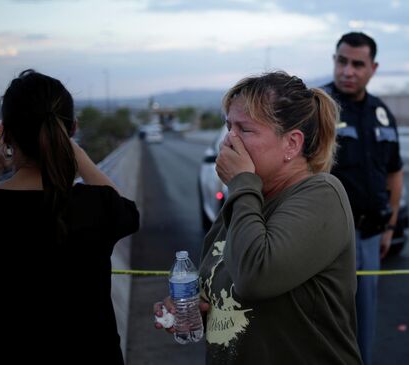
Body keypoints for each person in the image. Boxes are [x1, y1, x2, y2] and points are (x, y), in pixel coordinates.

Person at [154, 71, 362, 364]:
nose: (229, 140)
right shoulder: (246, 201)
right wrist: (192, 310)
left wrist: (241, 182)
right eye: (229, 127)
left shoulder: (321, 195)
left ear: (291, 144)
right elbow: (224, 292)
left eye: (245, 130)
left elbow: (255, 277)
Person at [0, 69, 140, 364]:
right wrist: (78, 155)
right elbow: (126, 210)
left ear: (7, 134)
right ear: (72, 130)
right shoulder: (94, 206)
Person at [322, 31, 404, 364]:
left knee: (363, 324)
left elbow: (394, 172)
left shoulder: (382, 113)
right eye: (342, 61)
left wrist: (390, 227)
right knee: (324, 323)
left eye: (358, 64)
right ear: (334, 61)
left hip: (370, 235)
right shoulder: (316, 107)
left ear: (373, 68)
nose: (348, 71)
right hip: (326, 239)